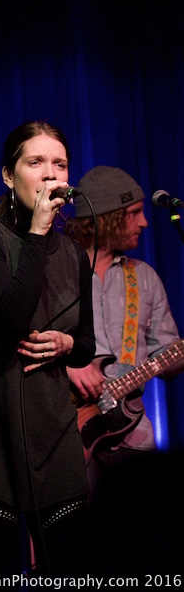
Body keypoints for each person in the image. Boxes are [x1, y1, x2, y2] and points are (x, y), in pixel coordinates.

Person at [0, 121, 95, 578]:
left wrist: (69, 343)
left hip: (53, 434)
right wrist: (36, 232)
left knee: (70, 572)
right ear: (9, 176)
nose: (51, 175)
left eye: (60, 164)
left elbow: (86, 345)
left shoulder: (74, 254)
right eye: (36, 163)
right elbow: (11, 318)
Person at [65, 166, 183, 501]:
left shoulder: (144, 278)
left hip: (134, 440)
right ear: (106, 218)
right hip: (71, 438)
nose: (144, 222)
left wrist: (175, 357)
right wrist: (69, 366)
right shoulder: (59, 274)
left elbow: (166, 356)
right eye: (133, 214)